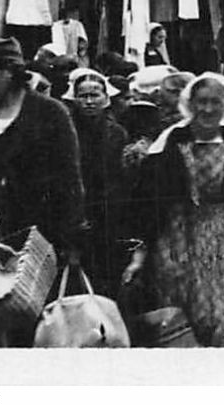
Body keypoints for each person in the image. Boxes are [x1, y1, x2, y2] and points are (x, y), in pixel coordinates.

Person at [123, 73, 224, 346]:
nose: (207, 109)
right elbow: (148, 202)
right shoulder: (170, 141)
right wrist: (140, 253)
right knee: (178, 314)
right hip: (176, 238)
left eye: (215, 102)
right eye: (201, 102)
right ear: (189, 104)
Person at [0, 38, 84, 260]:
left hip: (43, 239)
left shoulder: (50, 113)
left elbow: (70, 181)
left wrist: (70, 241)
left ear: (8, 70)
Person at [63, 68, 130, 297]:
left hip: (110, 215)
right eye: (83, 96)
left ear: (106, 98)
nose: (89, 101)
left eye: (95, 95)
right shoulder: (65, 131)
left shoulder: (117, 133)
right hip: (75, 213)